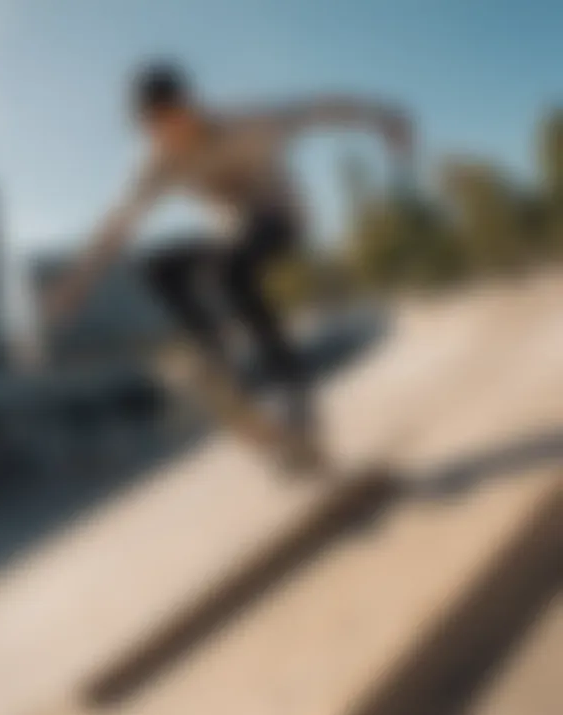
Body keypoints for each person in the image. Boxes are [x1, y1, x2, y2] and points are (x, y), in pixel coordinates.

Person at [45, 61, 414, 461]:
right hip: (231, 237)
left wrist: (384, 117)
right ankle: (215, 355)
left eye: (170, 120)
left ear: (187, 105)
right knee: (158, 266)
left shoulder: (248, 122)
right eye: (154, 127)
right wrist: (77, 284)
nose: (166, 135)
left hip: (282, 219)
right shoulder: (159, 162)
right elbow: (119, 222)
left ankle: (296, 399)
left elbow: (316, 110)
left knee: (231, 274)